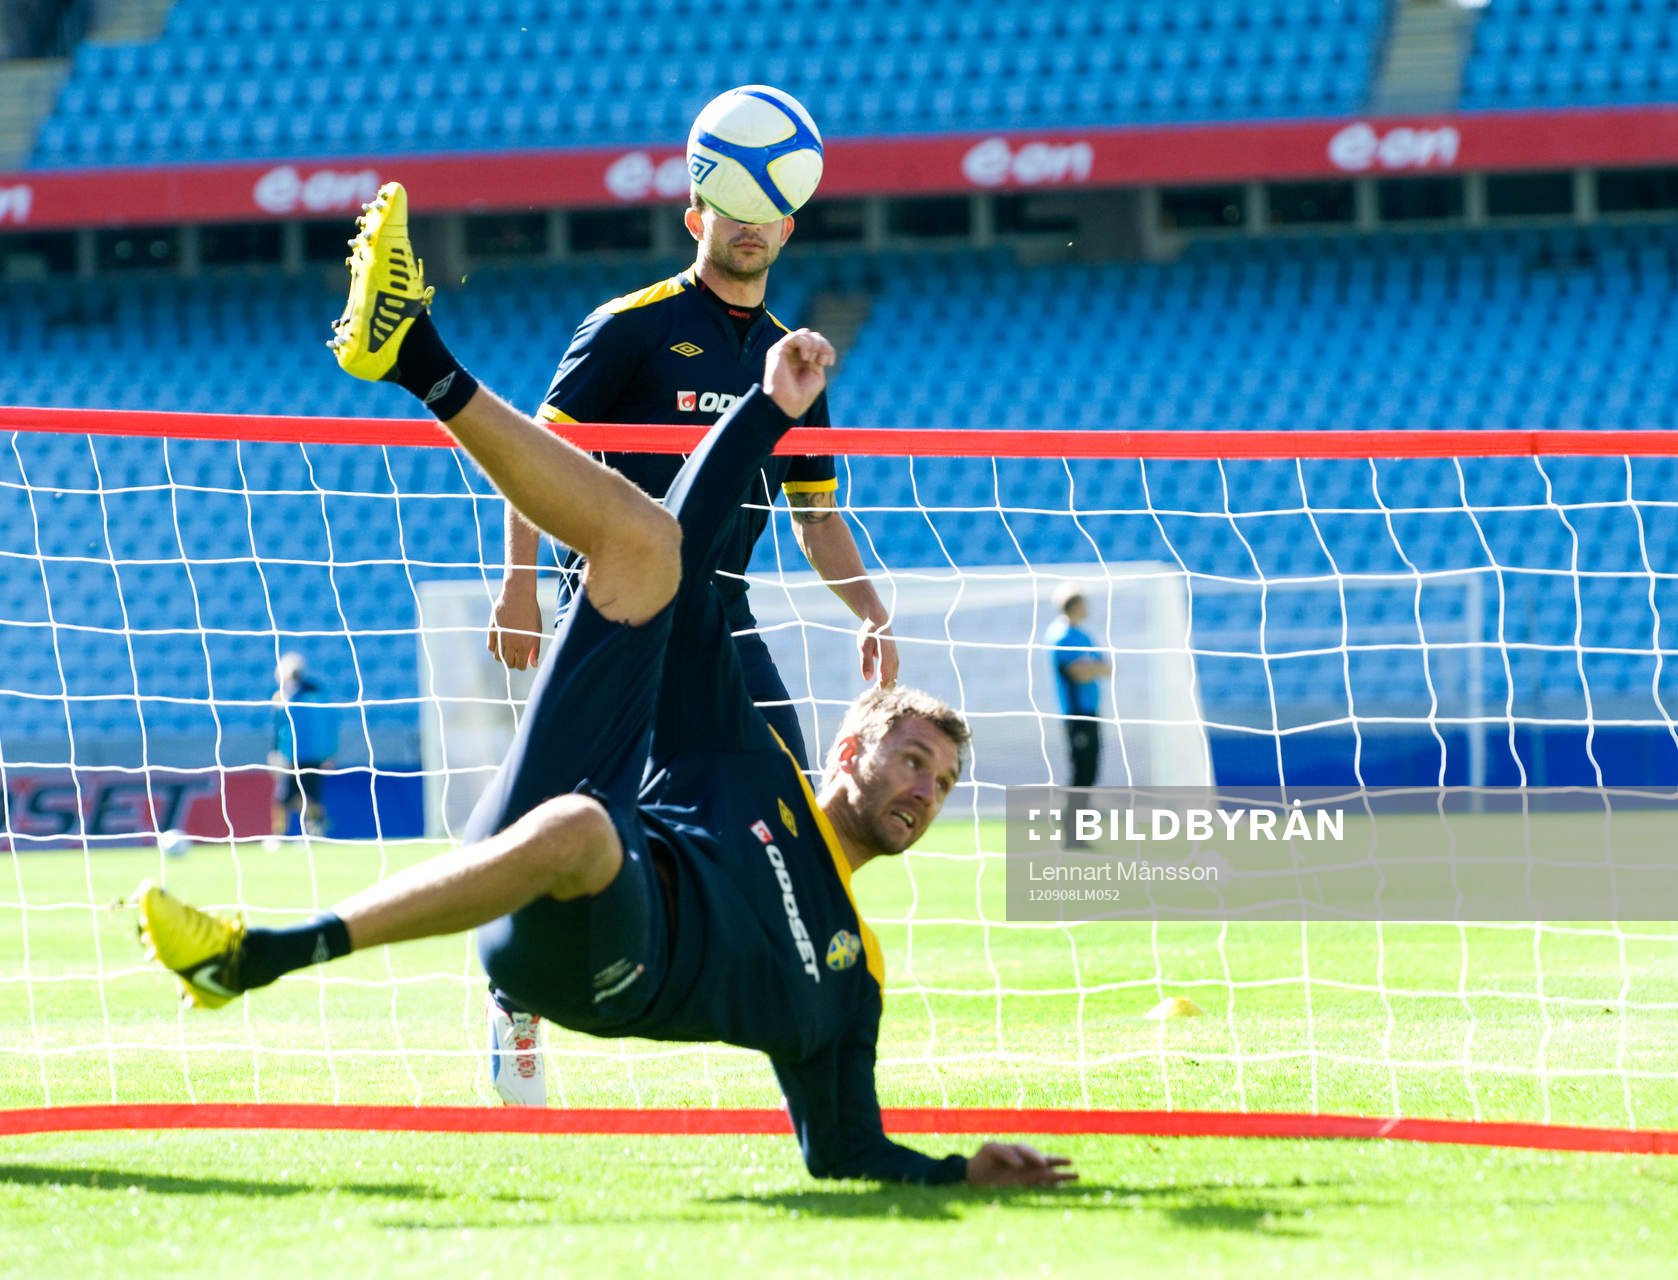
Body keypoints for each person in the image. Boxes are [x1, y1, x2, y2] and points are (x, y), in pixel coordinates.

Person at [136, 183, 1073, 1190]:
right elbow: (683, 534)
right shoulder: (750, 759)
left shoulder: (856, 972)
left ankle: (279, 960)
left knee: (590, 804)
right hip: (606, 718)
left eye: (941, 781)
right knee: (646, 550)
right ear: (848, 748)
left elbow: (846, 1151)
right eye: (914, 759)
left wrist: (960, 1173)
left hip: (607, 957)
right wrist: (761, 412)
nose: (926, 790)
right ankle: (410, 352)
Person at [483, 183, 900, 1103]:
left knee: (792, 812)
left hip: (722, 616)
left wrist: (871, 609)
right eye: (730, 206)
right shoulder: (627, 328)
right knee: (575, 812)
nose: (749, 225)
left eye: (765, 210)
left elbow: (816, 516)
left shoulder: (794, 360)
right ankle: (516, 1002)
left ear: (787, 230)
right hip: (613, 611)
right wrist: (517, 583)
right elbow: (535, 462)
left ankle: (795, 1016)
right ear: (694, 221)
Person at [1045, 586, 1111, 820]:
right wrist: (1092, 669)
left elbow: (1107, 667)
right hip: (1075, 713)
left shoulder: (1084, 635)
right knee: (1081, 771)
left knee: (1091, 771)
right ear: (1074, 606)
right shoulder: (1060, 636)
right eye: (1084, 603)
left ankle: (1078, 821)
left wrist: (1090, 668)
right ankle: (1071, 824)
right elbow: (1079, 673)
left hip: (1091, 709)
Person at [267, 652, 339, 846]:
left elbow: (328, 724)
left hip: (312, 753)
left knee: (312, 795)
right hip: (290, 754)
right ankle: (279, 834)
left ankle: (315, 829)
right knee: (283, 796)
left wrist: (330, 753)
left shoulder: (315, 692)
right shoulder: (281, 696)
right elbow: (279, 727)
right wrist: (275, 751)